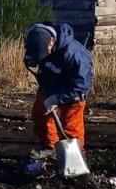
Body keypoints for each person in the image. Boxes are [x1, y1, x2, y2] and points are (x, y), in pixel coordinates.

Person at [24, 23, 93, 157]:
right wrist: (32, 59)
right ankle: (50, 147)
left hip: (73, 92)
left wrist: (58, 98)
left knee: (71, 127)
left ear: (52, 40)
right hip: (49, 87)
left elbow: (81, 87)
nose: (48, 53)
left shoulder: (76, 55)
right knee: (40, 117)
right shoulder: (35, 38)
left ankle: (76, 157)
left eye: (48, 49)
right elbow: (35, 55)